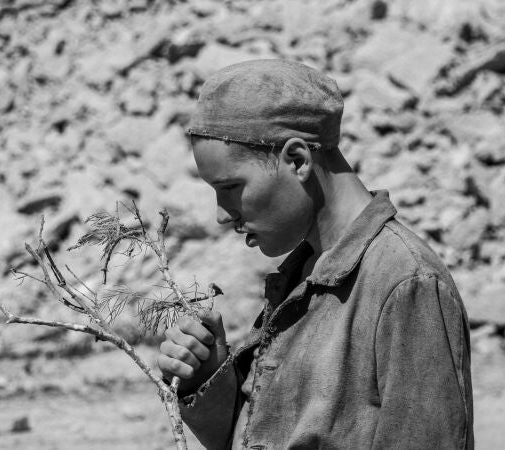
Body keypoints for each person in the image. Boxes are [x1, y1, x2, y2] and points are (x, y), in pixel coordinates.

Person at [157, 59, 474, 449]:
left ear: (298, 161)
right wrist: (209, 378)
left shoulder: (406, 283)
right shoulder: (306, 273)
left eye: (231, 187)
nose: (223, 214)